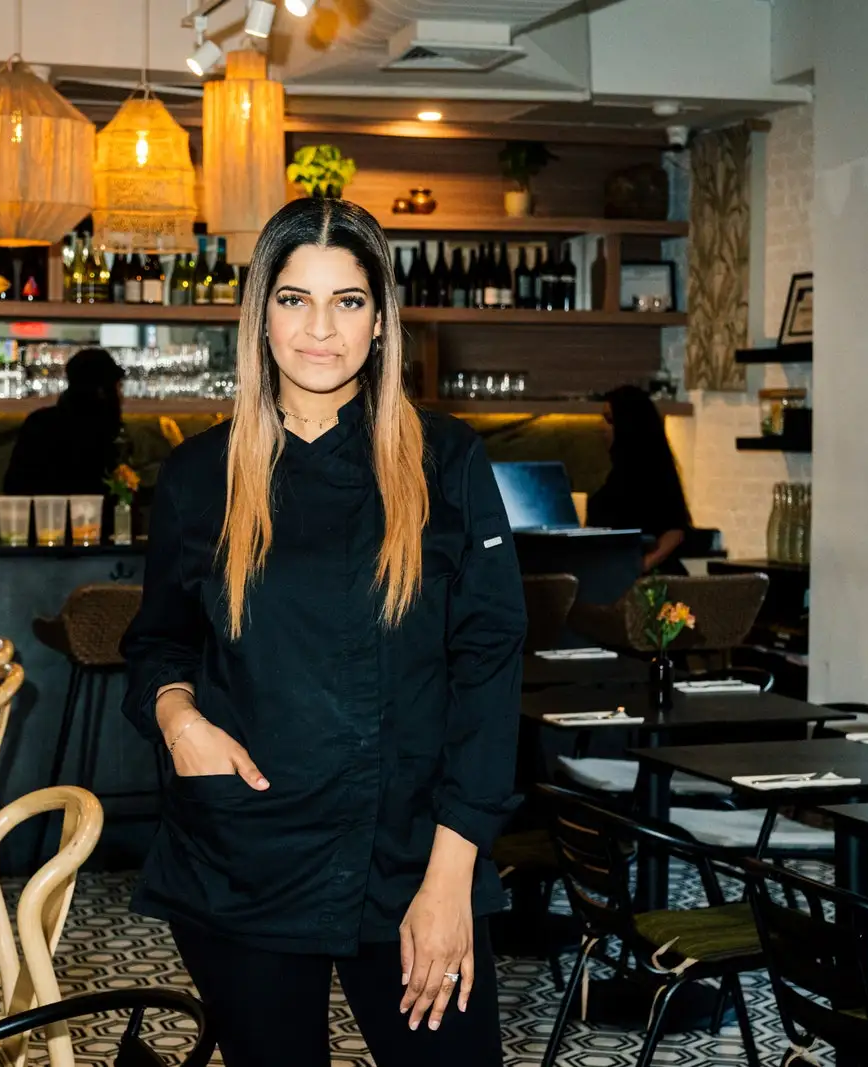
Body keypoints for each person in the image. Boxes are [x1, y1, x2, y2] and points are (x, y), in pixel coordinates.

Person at [120, 198, 525, 1067]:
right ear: (260, 316)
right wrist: (179, 718)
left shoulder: (447, 464)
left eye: (347, 301)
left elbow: (488, 673)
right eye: (295, 298)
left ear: (380, 323)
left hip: (417, 855)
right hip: (247, 857)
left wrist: (451, 878)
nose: (320, 329)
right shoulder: (198, 477)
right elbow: (158, 640)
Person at [586, 384, 692, 574]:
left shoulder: (653, 475)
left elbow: (675, 531)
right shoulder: (617, 474)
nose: (602, 428)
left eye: (610, 420)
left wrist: (641, 566)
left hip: (652, 583)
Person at [2, 347, 124, 495]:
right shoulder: (106, 434)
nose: (121, 396)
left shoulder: (39, 423)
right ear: (102, 391)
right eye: (118, 387)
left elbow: (13, 488)